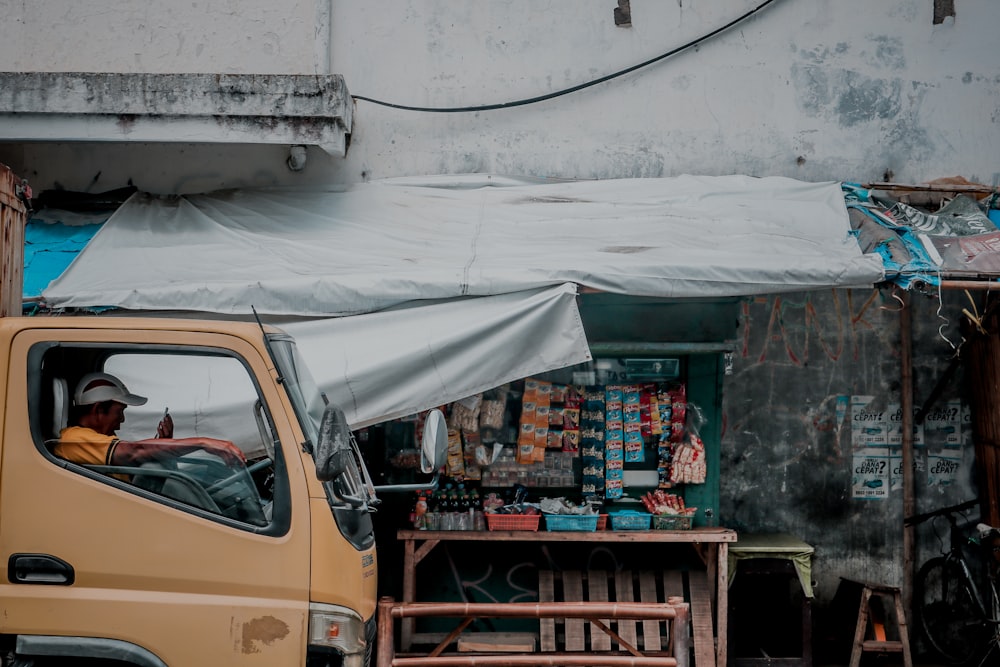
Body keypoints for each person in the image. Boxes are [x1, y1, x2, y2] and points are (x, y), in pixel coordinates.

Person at [54, 372, 246, 472]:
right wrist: (203, 443)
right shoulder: (73, 439)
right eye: (119, 412)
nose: (121, 421)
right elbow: (134, 451)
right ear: (97, 410)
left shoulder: (101, 439)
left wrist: (165, 445)